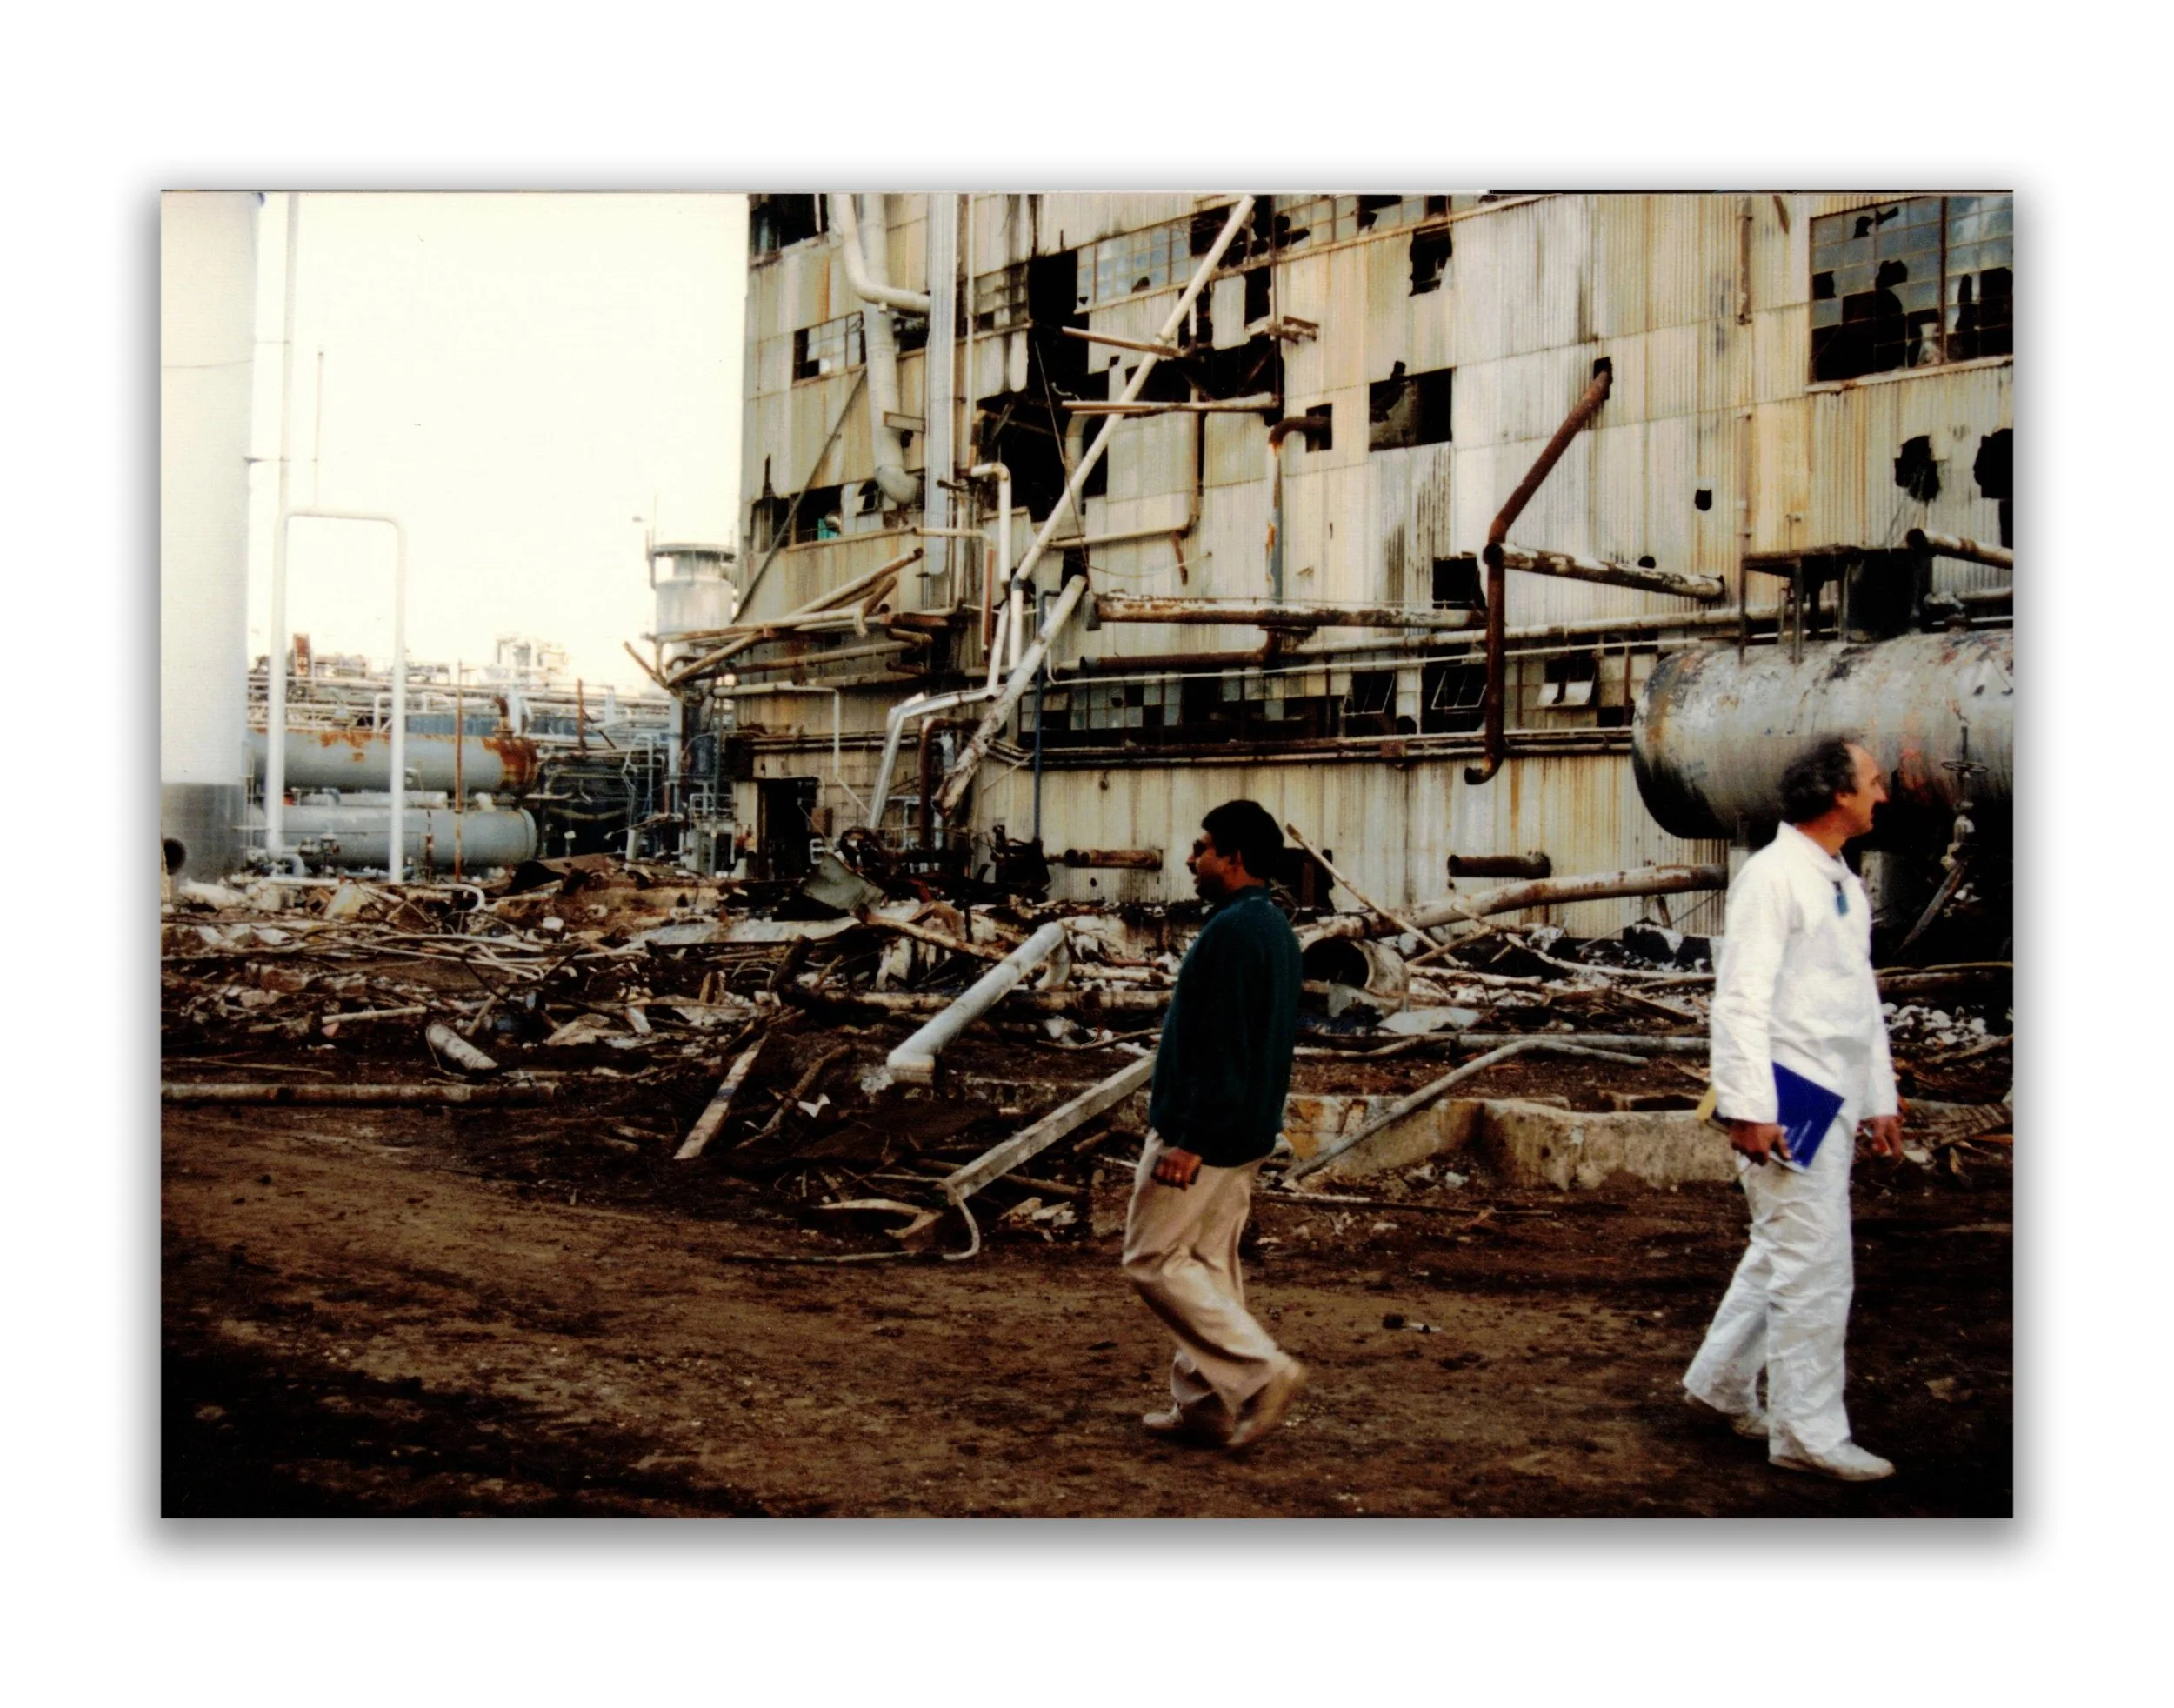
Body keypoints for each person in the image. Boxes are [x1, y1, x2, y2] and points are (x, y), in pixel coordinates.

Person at [1683, 737, 1906, 1481]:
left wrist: (1880, 1099)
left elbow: (1857, 997)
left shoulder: (1838, 878)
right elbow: (1740, 999)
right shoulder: (1772, 878)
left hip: (1832, 1093)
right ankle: (1807, 1432)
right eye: (1874, 782)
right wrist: (1748, 1107)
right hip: (1788, 1097)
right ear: (1837, 794)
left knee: (1783, 1250)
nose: (1885, 793)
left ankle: (1718, 1386)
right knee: (1815, 1266)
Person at [1120, 799, 1306, 1450]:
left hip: (1206, 1135)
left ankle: (1259, 1374)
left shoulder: (1232, 934)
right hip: (1246, 1130)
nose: (1191, 860)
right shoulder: (1273, 930)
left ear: (1232, 858)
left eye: (1201, 848)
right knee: (1207, 1264)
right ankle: (1205, 1407)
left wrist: (1187, 1138)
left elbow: (1222, 1043)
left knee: (1151, 1259)